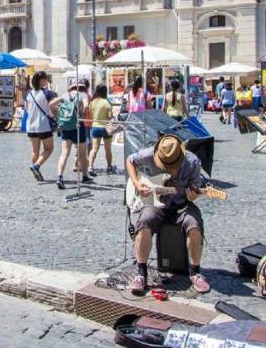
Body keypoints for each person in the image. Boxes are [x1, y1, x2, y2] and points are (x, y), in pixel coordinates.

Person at [127, 134, 211, 294]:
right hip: (156, 204)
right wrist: (137, 184)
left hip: (182, 204)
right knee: (144, 222)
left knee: (194, 224)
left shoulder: (192, 161)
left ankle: (195, 272)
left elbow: (194, 188)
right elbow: (130, 160)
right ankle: (141, 273)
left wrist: (193, 193)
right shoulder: (150, 154)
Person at [50, 78, 90, 190]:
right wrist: (82, 114)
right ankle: (85, 176)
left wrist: (59, 116)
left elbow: (51, 104)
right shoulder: (83, 95)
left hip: (66, 127)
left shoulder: (64, 95)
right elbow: (86, 107)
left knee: (64, 154)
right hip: (78, 126)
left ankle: (60, 177)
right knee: (82, 154)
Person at [22, 70, 56, 181]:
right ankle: (36, 166)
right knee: (49, 149)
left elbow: (27, 109)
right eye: (46, 78)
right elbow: (53, 107)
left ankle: (36, 173)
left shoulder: (28, 93)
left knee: (34, 151)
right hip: (43, 125)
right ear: (42, 80)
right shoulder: (48, 93)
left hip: (31, 125)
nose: (47, 80)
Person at [87, 84, 117, 175]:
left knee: (94, 149)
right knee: (108, 149)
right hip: (106, 128)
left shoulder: (92, 102)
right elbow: (110, 116)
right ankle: (109, 167)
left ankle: (90, 167)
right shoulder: (106, 102)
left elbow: (91, 115)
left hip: (95, 127)